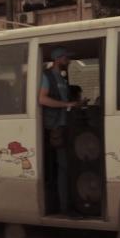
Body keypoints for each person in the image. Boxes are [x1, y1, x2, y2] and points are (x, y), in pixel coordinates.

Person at [38, 47, 80, 217]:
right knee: (63, 167)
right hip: (54, 128)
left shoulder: (61, 78)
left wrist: (73, 103)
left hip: (62, 126)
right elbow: (42, 99)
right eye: (66, 58)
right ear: (58, 59)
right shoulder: (46, 76)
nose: (68, 61)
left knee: (65, 167)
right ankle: (65, 208)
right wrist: (66, 105)